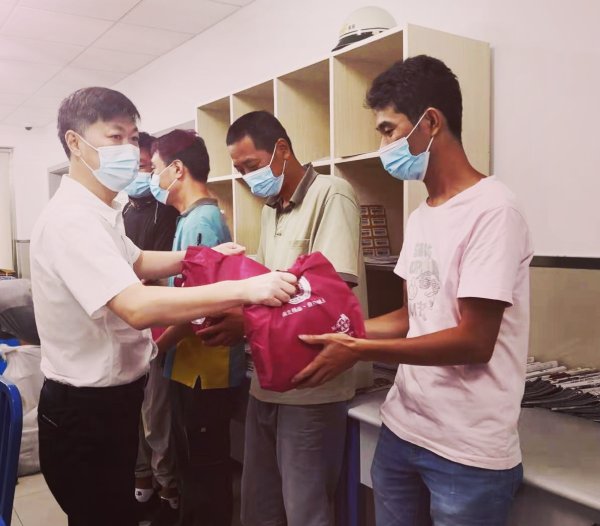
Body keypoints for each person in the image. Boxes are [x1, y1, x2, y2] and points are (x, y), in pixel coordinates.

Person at [30, 87, 297, 526]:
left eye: (133, 138)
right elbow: (135, 306)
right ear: (75, 142)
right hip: (85, 410)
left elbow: (136, 260)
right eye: (115, 137)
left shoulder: (100, 211)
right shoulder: (72, 220)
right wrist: (244, 290)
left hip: (111, 401)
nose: (128, 150)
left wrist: (199, 257)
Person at [293, 55, 533, 526]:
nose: (382, 146)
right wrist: (338, 331)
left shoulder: (494, 210)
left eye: (388, 130)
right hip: (403, 429)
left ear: (431, 123)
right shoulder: (423, 214)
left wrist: (358, 350)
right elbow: (410, 317)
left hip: (466, 451)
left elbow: (474, 341)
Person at [222, 111, 363, 526]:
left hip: (313, 385)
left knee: (306, 510)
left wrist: (245, 323)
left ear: (281, 149)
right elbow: (264, 289)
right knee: (259, 506)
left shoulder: (331, 193)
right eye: (239, 170)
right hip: (268, 380)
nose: (247, 178)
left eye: (251, 165)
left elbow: (327, 298)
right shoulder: (271, 210)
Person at [148, 128, 245, 526]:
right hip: (191, 367)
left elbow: (197, 308)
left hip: (204, 371)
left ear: (177, 169)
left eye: (155, 168)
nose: (153, 179)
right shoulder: (191, 218)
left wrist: (155, 349)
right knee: (195, 467)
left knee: (204, 473)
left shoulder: (201, 221)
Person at [122, 132, 180, 524]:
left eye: (147, 166)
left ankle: (167, 493)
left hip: (158, 327)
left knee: (157, 419)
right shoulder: (123, 213)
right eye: (137, 167)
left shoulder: (168, 214)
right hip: (127, 326)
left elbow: (161, 274)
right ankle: (142, 488)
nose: (141, 174)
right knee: (136, 418)